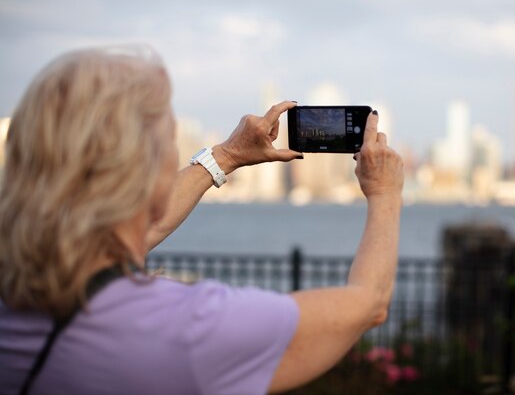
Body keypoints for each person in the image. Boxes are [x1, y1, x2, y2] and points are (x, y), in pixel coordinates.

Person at [0, 46, 404, 395]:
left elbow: (143, 234)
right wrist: (385, 195)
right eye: (167, 145)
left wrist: (227, 154)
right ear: (145, 178)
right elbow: (368, 305)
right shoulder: (190, 329)